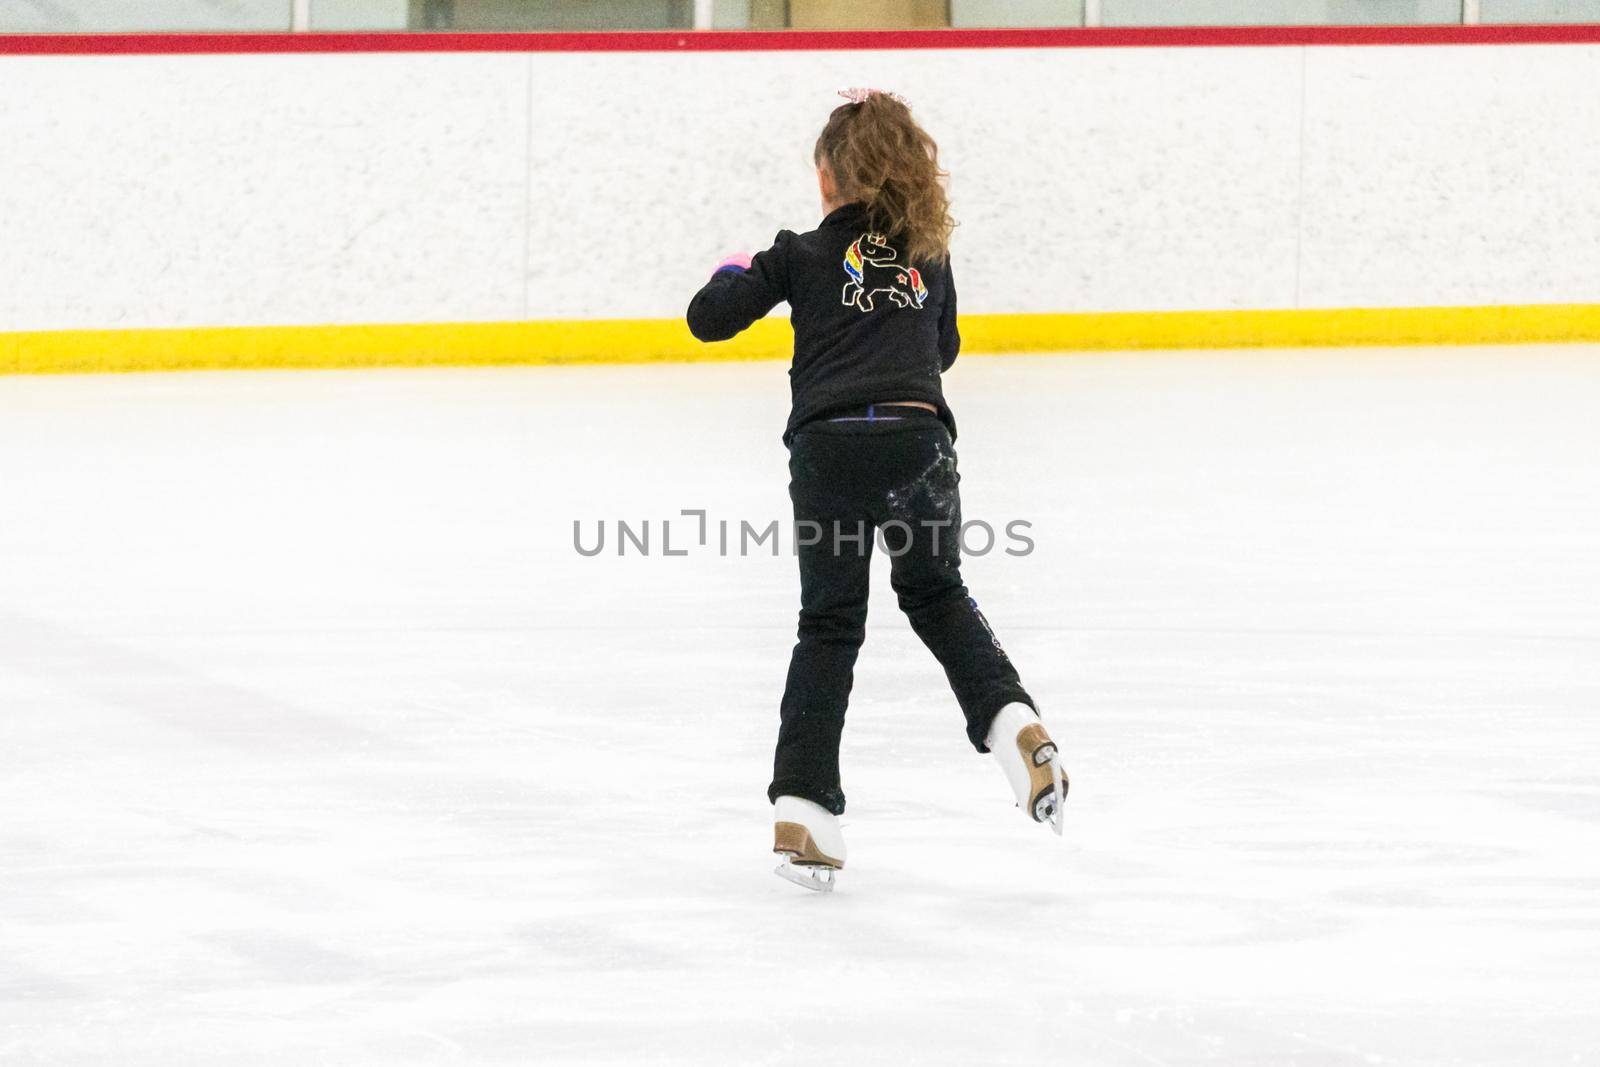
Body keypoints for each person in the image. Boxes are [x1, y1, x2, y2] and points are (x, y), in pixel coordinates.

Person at [686, 89, 1067, 893]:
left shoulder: (800, 253)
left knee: (828, 625)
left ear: (826, 176)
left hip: (828, 451)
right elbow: (947, 347)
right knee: (938, 597)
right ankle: (1016, 727)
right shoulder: (930, 255)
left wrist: (734, 267)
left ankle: (805, 809)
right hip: (918, 441)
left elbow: (708, 318)